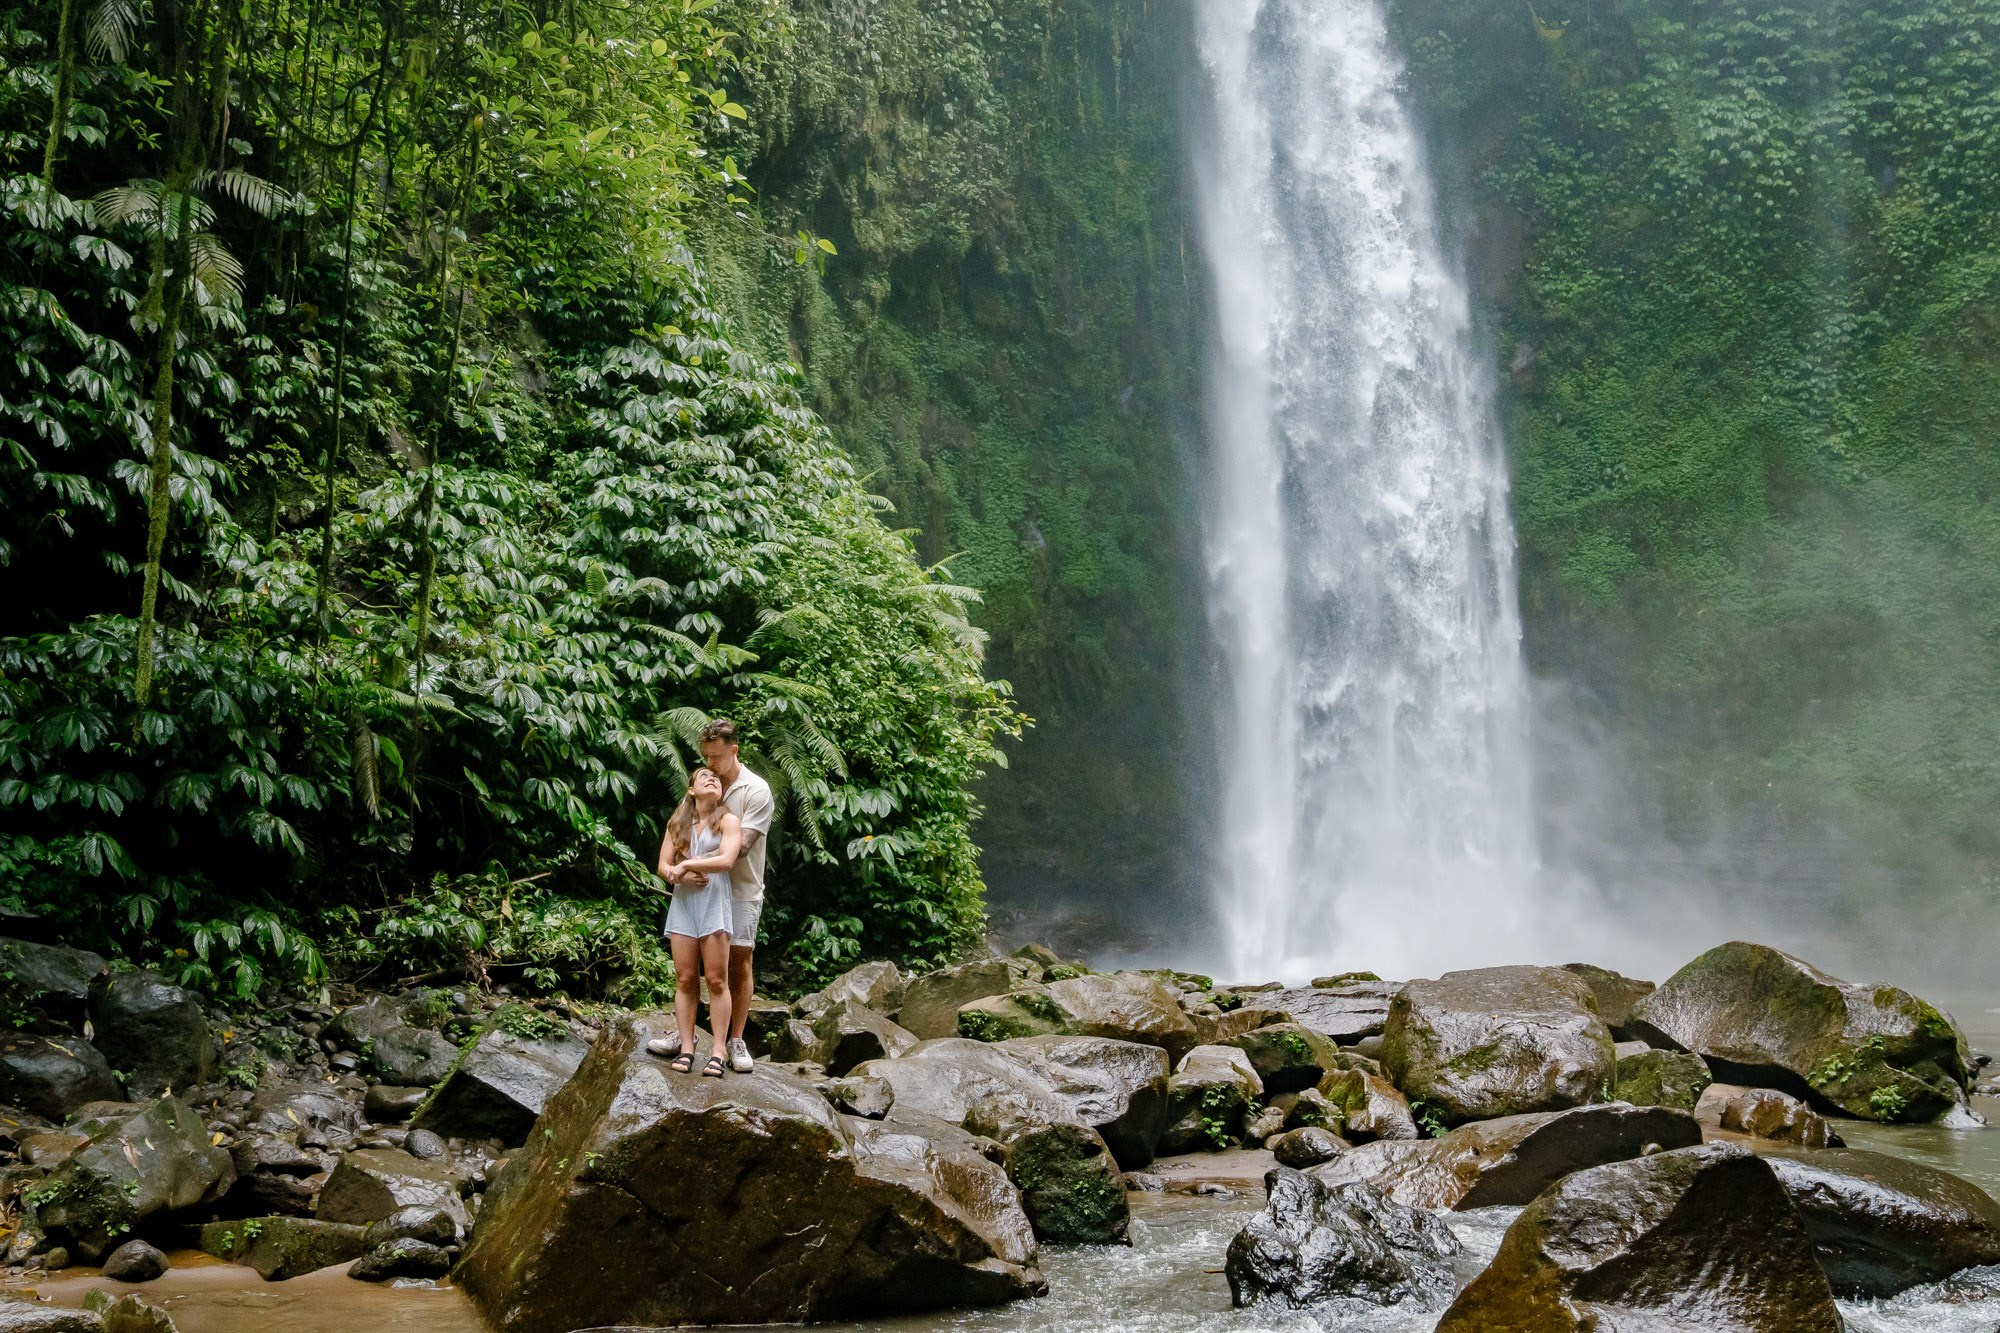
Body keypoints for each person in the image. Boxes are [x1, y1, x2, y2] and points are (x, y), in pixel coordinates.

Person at [653, 767, 741, 1078]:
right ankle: (687, 1047)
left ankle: (717, 1051)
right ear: (691, 789)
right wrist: (681, 874)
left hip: (714, 903)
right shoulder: (678, 823)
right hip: (684, 903)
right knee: (685, 977)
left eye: (716, 778)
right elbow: (664, 865)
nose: (712, 779)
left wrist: (688, 862)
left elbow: (727, 860)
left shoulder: (728, 821)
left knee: (716, 980)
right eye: (703, 776)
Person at [700, 719, 773, 1072]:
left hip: (743, 888)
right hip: (704, 887)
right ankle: (690, 1032)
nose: (711, 764)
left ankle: (737, 1039)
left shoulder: (756, 790)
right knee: (699, 964)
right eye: (706, 757)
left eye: (717, 757)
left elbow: (741, 848)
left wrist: (693, 864)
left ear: (734, 750)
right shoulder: (704, 783)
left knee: (739, 961)